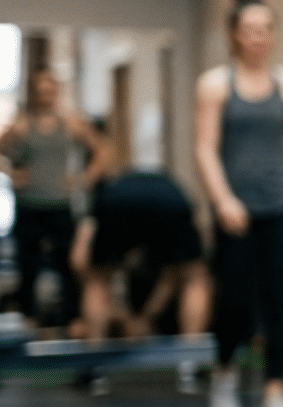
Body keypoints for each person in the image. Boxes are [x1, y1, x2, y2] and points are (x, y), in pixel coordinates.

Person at [193, 0, 283, 407]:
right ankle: (226, 374)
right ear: (235, 35)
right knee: (234, 304)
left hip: (282, 207)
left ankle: (275, 390)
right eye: (250, 30)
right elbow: (205, 149)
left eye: (265, 29)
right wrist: (222, 200)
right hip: (235, 213)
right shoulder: (215, 86)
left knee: (276, 301)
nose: (258, 38)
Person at [69, 165, 212, 394]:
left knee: (97, 281)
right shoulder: (170, 190)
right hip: (170, 201)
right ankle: (190, 367)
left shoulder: (108, 193)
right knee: (195, 277)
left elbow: (78, 259)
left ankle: (94, 369)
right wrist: (136, 317)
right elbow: (172, 277)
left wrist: (133, 317)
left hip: (121, 203)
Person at [0, 67, 106, 332]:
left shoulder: (70, 123)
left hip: (60, 205)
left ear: (56, 92)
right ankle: (28, 320)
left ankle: (70, 321)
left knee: (67, 267)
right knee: (28, 267)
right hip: (29, 205)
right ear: (34, 93)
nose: (46, 96)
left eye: (50, 91)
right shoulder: (23, 123)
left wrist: (84, 179)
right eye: (41, 91)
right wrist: (11, 172)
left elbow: (102, 150)